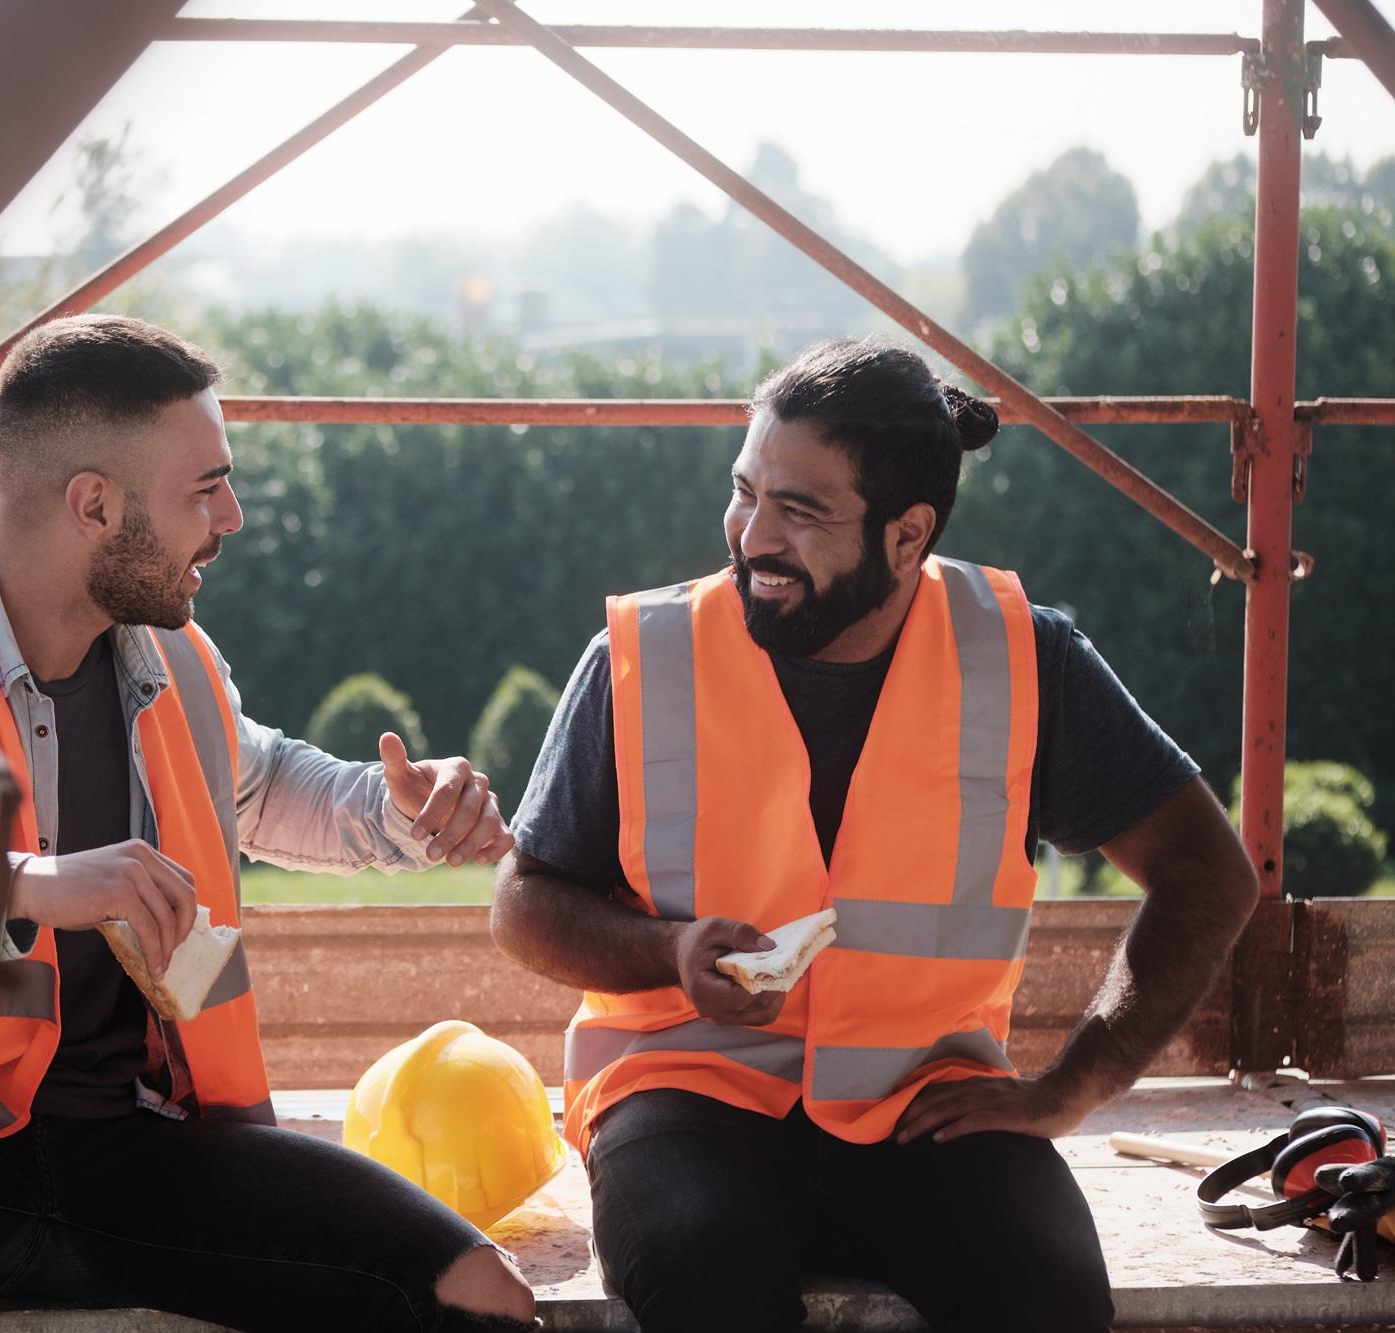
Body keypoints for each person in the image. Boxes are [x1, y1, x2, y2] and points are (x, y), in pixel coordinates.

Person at [0, 315, 537, 1332]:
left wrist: (399, 814)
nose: (229, 517)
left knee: (475, 1294)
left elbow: (260, 784)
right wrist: (25, 886)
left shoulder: (170, 657)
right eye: (204, 487)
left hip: (132, 1157)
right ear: (92, 504)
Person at [491, 339, 1260, 1333]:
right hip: (683, 1085)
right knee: (704, 1277)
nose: (750, 537)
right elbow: (522, 901)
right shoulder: (644, 655)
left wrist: (1073, 1086)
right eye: (743, 491)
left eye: (799, 511)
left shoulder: (1023, 657)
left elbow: (1207, 873)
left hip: (924, 1098)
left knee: (1046, 1291)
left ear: (907, 536)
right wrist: (665, 953)